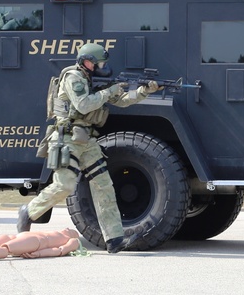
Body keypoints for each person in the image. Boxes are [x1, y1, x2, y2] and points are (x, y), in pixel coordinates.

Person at [16, 43, 161, 253]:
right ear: (87, 61)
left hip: (87, 141)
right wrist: (110, 90)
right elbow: (83, 104)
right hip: (67, 139)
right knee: (64, 186)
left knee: (104, 186)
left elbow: (122, 101)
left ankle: (114, 239)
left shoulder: (92, 80)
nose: (102, 66)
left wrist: (144, 91)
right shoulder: (73, 77)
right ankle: (28, 212)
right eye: (99, 62)